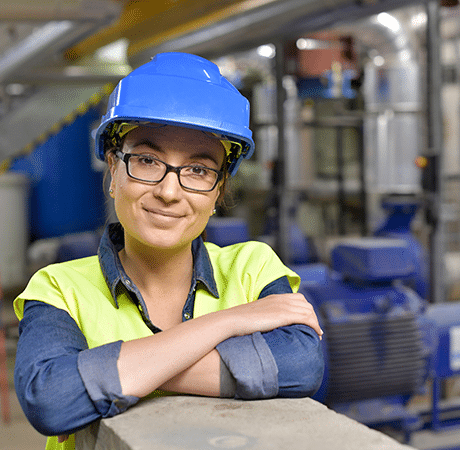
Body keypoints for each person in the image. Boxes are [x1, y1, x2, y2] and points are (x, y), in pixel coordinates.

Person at [13, 52, 324, 450]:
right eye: (146, 160)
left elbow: (301, 365)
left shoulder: (252, 267)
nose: (169, 191)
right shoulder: (59, 287)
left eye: (198, 170)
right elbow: (50, 399)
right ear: (113, 171)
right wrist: (228, 323)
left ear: (217, 192)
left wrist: (106, 375)